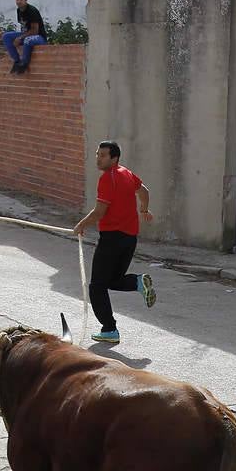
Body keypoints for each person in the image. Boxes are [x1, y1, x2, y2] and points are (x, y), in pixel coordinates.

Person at [73, 140, 156, 344]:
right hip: (129, 239)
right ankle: (137, 282)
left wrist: (81, 225)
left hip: (112, 239)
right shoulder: (127, 174)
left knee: (97, 286)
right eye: (97, 154)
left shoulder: (107, 179)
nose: (98, 158)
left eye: (103, 155)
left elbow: (100, 212)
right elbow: (144, 191)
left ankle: (109, 329)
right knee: (113, 280)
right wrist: (143, 210)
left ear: (114, 158)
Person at [2, 0, 47, 74]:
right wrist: (19, 38)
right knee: (6, 36)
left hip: (39, 37)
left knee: (27, 40)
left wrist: (20, 37)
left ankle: (24, 64)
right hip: (27, 34)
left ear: (26, 0)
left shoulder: (31, 10)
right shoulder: (19, 10)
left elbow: (35, 30)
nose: (19, 1)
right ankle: (17, 61)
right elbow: (24, 27)